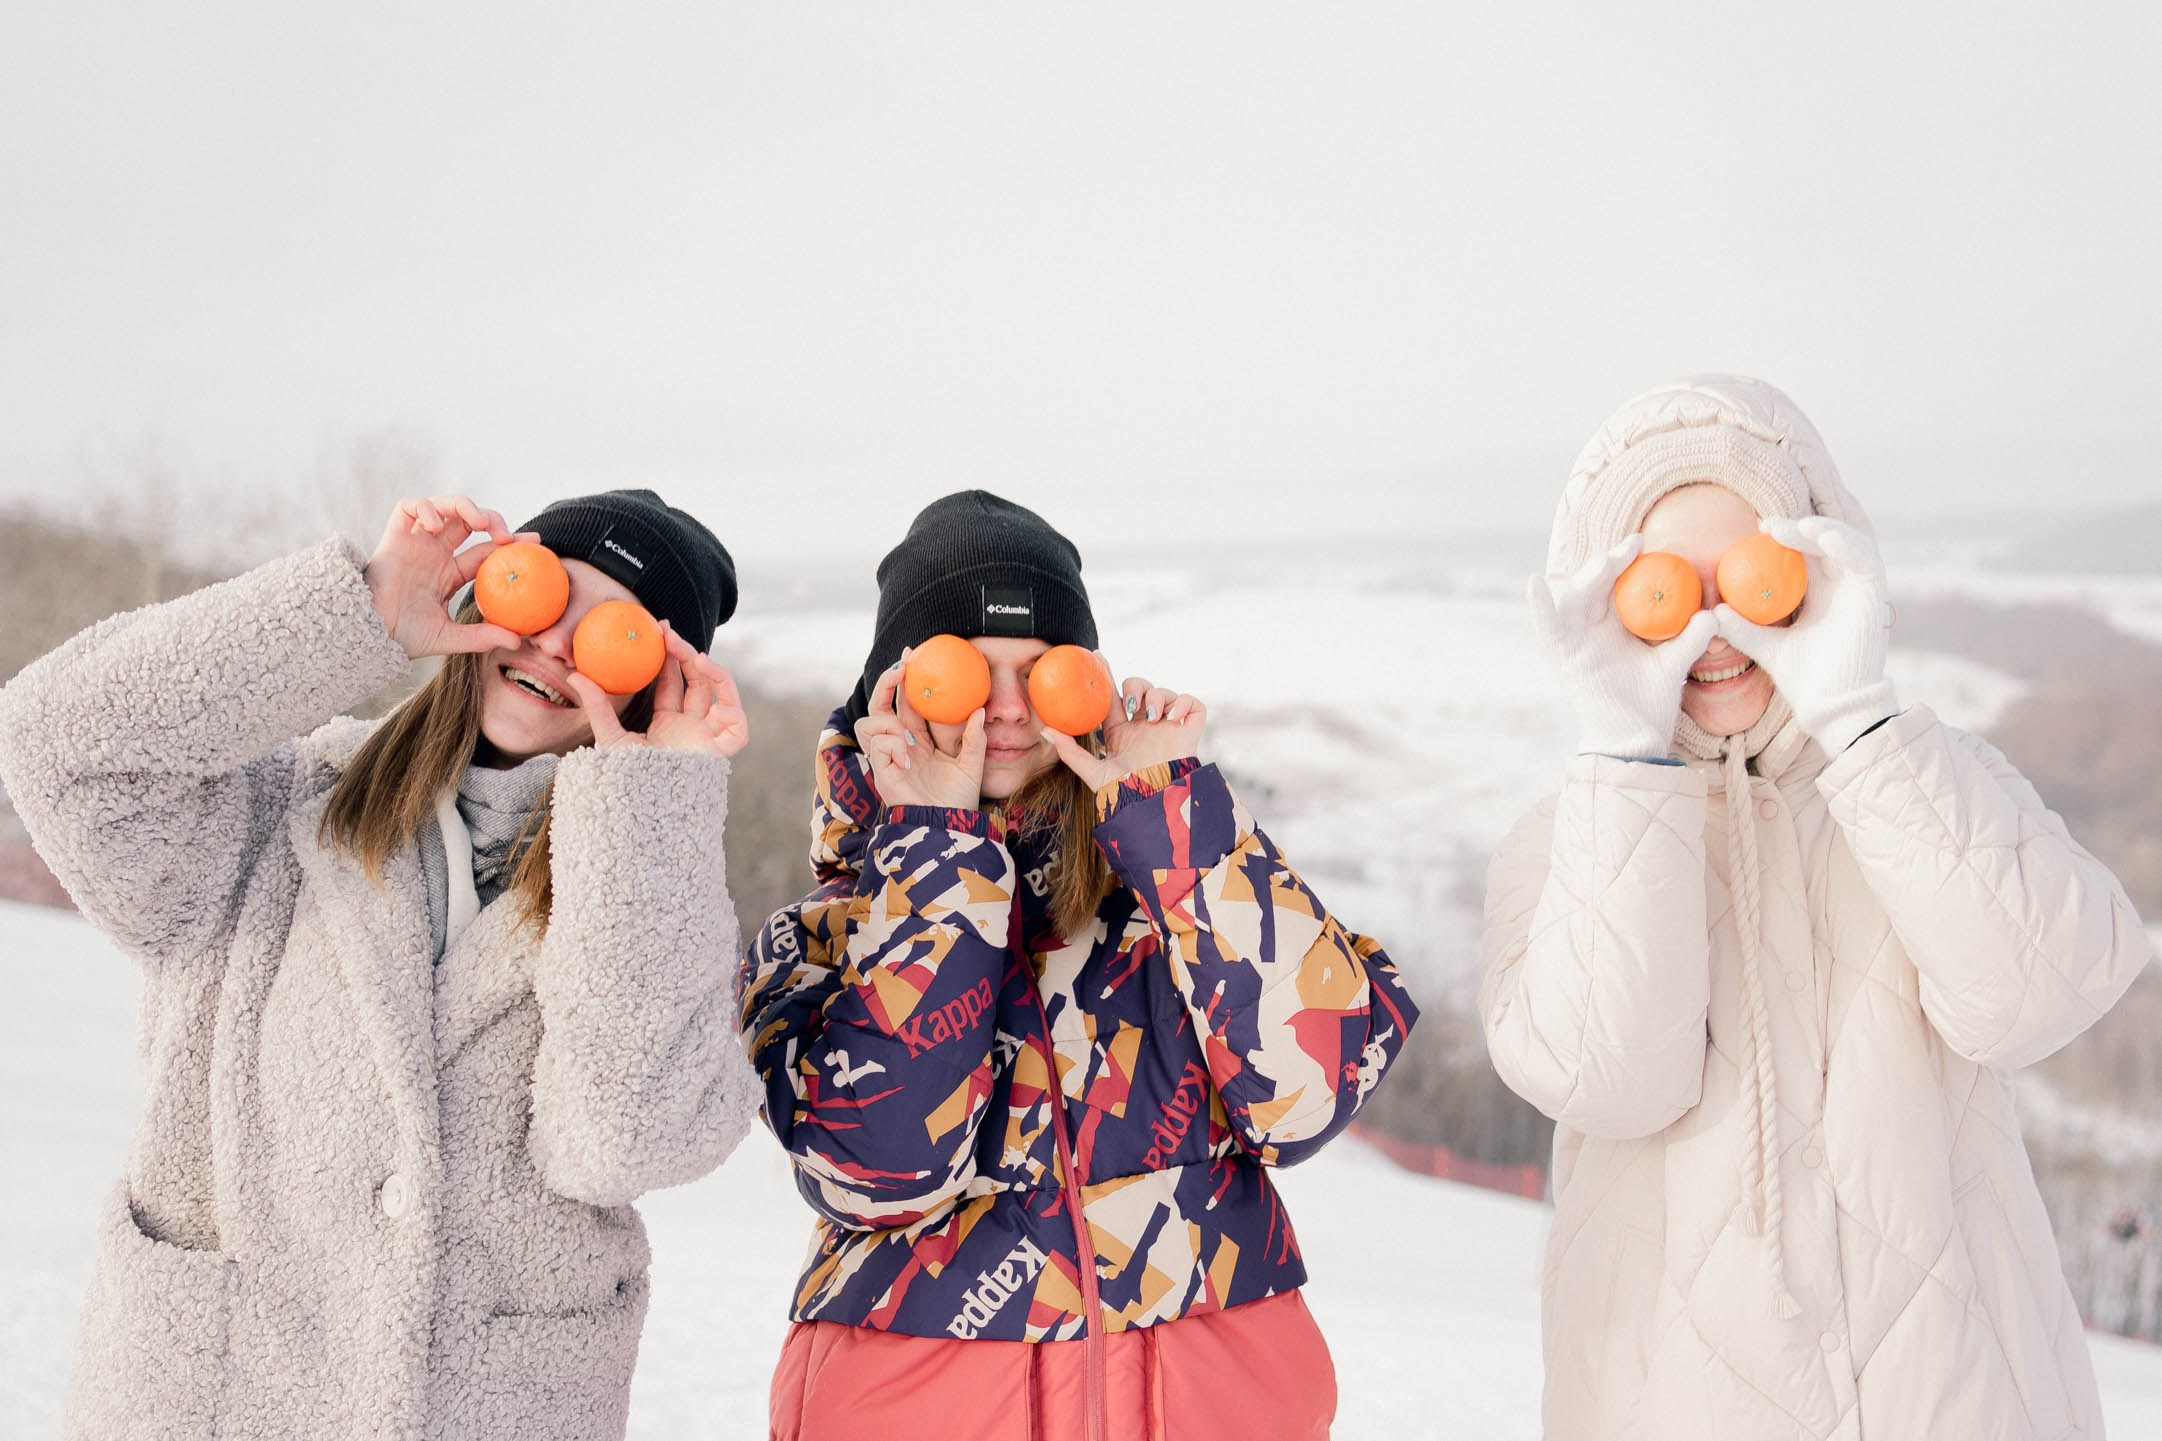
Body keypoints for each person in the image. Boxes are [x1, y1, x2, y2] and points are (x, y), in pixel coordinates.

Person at [0, 489, 760, 1441]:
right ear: (491, 592)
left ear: (659, 679)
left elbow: (621, 1140)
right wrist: (361, 614)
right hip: (214, 1400)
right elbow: (55, 745)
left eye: (614, 633)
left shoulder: (654, 889)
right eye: (545, 595)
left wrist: (652, 800)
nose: (560, 645)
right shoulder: (268, 815)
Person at [1482, 376, 2153, 1440]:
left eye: (1749, 576)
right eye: (1662, 584)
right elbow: (1606, 1078)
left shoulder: (1920, 781)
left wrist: (1856, 716)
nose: (1706, 623)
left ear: (1815, 570)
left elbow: (2042, 994)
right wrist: (1622, 750)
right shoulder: (1568, 836)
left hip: (1958, 1400)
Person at [737, 490, 1418, 1441]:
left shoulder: (1168, 900)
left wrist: (1175, 816)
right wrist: (940, 849)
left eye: (1042, 668)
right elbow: (884, 1168)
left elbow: (1314, 1092)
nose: (1010, 707)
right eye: (964, 670)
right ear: (891, 691)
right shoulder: (819, 940)